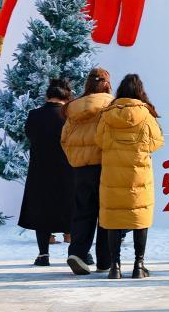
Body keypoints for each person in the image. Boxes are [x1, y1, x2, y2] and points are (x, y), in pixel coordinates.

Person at [95, 73, 165, 279]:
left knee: (114, 220)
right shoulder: (146, 115)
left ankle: (115, 267)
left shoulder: (107, 115)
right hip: (138, 177)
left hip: (112, 176)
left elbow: (99, 141)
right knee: (139, 219)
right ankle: (138, 266)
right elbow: (157, 142)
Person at [62, 67, 114, 275]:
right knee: (106, 212)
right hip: (105, 165)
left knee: (83, 211)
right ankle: (105, 259)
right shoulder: (111, 105)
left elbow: (64, 138)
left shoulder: (73, 107)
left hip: (81, 169)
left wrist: (75, 158)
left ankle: (77, 253)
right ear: (107, 84)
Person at [19, 78, 74, 266]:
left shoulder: (34, 115)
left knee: (42, 212)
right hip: (67, 170)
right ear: (66, 97)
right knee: (71, 209)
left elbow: (29, 135)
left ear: (47, 96)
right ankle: (75, 253)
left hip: (40, 170)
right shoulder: (69, 116)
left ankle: (43, 254)